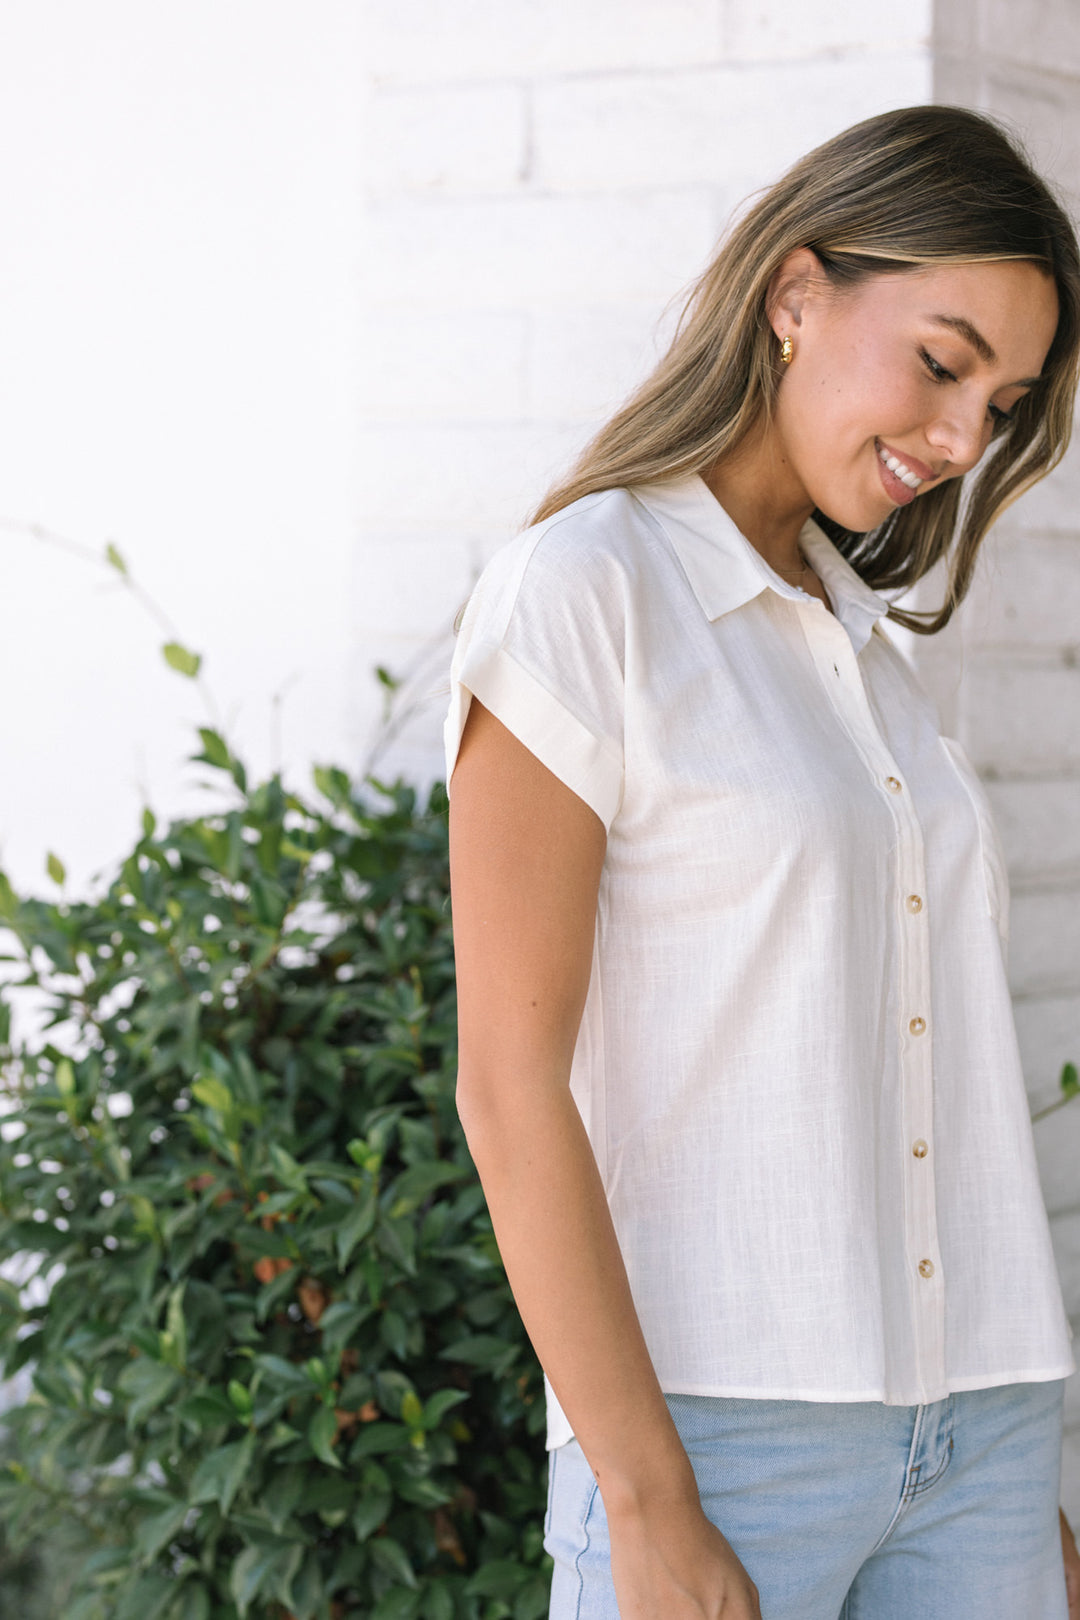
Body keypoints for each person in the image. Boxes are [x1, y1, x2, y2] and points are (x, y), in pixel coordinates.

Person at [444, 105, 1080, 1619]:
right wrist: (648, 1506)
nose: (957, 440)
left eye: (1000, 409)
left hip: (979, 1431)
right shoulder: (582, 594)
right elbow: (507, 1085)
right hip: (719, 1442)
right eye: (942, 363)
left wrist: (1010, 1465)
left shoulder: (861, 648)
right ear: (795, 293)